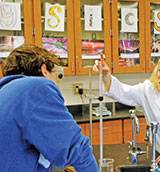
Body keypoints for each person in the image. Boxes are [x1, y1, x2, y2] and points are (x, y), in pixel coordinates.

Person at [0, 44, 99, 172]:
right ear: (44, 70)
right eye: (58, 77)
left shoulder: (6, 90)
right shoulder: (37, 88)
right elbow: (77, 150)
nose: (57, 84)